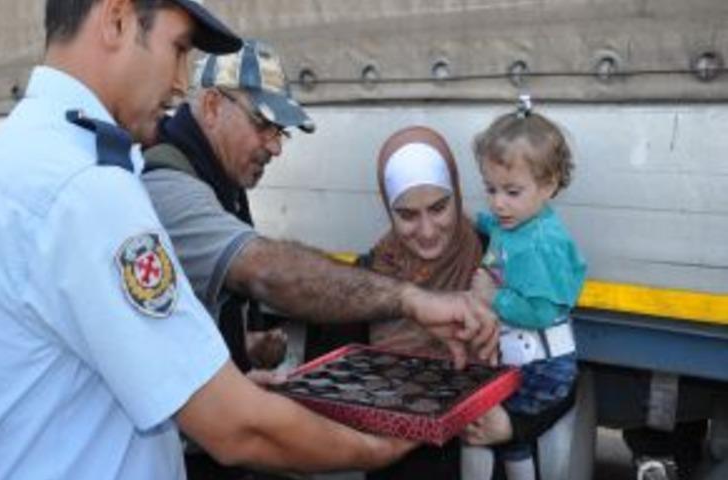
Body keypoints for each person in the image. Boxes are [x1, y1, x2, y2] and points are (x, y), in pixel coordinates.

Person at [0, 1, 461, 478]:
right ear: (116, 19)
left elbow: (81, 375)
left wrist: (223, 386)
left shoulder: (28, 151)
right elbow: (237, 431)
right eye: (178, 49)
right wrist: (377, 448)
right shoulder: (86, 186)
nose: (182, 83)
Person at [141, 38, 499, 480]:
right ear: (212, 106)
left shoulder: (225, 186)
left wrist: (235, 361)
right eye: (264, 125)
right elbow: (266, 270)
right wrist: (411, 301)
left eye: (281, 132)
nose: (276, 147)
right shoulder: (169, 187)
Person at [460, 98, 587, 480]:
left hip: (543, 368)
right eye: (490, 189)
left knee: (481, 429)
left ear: (548, 186)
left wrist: (490, 298)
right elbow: (494, 225)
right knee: (510, 443)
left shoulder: (541, 243)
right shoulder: (514, 221)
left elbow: (541, 311)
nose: (499, 204)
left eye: (511, 192)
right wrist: (469, 219)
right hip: (524, 357)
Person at [356, 126, 484, 480]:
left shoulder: (498, 261)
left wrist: (513, 426)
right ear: (387, 208)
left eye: (439, 208)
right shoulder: (366, 280)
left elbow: (556, 379)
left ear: (457, 194)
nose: (427, 231)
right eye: (407, 215)